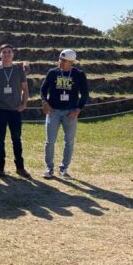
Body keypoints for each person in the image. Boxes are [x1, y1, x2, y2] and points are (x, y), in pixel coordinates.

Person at [41, 49, 89, 179]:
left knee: (69, 141)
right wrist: (44, 102)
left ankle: (64, 168)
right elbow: (43, 90)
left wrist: (78, 110)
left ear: (71, 62)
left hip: (70, 112)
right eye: (60, 59)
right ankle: (49, 168)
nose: (60, 62)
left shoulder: (79, 74)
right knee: (50, 141)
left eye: (63, 60)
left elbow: (85, 94)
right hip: (53, 111)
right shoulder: (52, 72)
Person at [0, 44, 31, 178]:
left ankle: (20, 167)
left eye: (9, 52)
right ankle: (0, 166)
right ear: (0, 54)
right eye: (4, 52)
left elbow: (25, 89)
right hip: (0, 109)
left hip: (15, 110)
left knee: (16, 139)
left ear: (13, 54)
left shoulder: (19, 70)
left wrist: (24, 104)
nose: (6, 54)